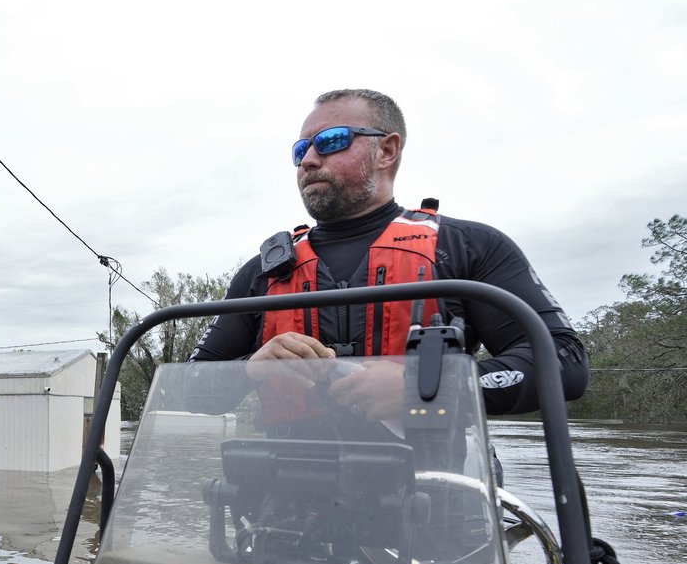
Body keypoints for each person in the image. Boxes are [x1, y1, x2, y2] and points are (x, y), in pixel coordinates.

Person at [190, 88, 588, 421]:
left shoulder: (469, 246)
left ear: (386, 151)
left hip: (433, 482)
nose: (308, 160)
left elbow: (564, 362)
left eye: (331, 141)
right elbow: (187, 389)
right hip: (284, 484)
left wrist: (427, 389)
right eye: (300, 150)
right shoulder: (262, 273)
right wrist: (249, 369)